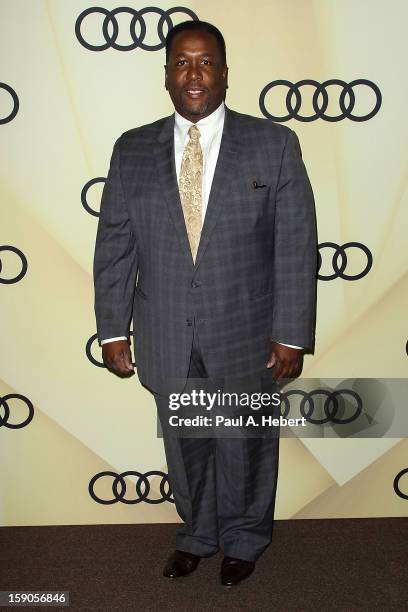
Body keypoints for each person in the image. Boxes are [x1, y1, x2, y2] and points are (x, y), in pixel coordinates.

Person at [93, 20, 317, 586]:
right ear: (167, 74)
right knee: (187, 442)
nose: (194, 73)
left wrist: (291, 332)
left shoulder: (274, 144)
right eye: (182, 63)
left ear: (224, 72)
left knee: (245, 442)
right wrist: (113, 328)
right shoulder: (133, 148)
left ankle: (245, 538)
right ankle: (198, 532)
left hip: (247, 329)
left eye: (206, 62)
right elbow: (115, 245)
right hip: (167, 328)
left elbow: (295, 245)